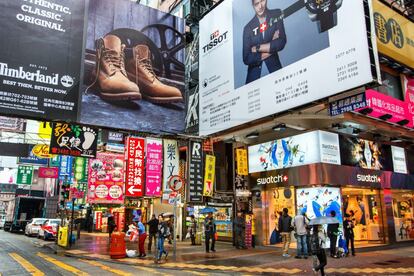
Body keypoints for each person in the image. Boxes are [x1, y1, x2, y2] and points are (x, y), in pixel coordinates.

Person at [242, 0, 287, 84]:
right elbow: (247, 58)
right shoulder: (248, 28)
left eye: (262, 1)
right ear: (253, 5)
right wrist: (271, 45)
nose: (260, 6)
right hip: (253, 80)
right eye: (256, 4)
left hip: (276, 73)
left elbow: (281, 42)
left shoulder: (276, 13)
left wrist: (257, 48)